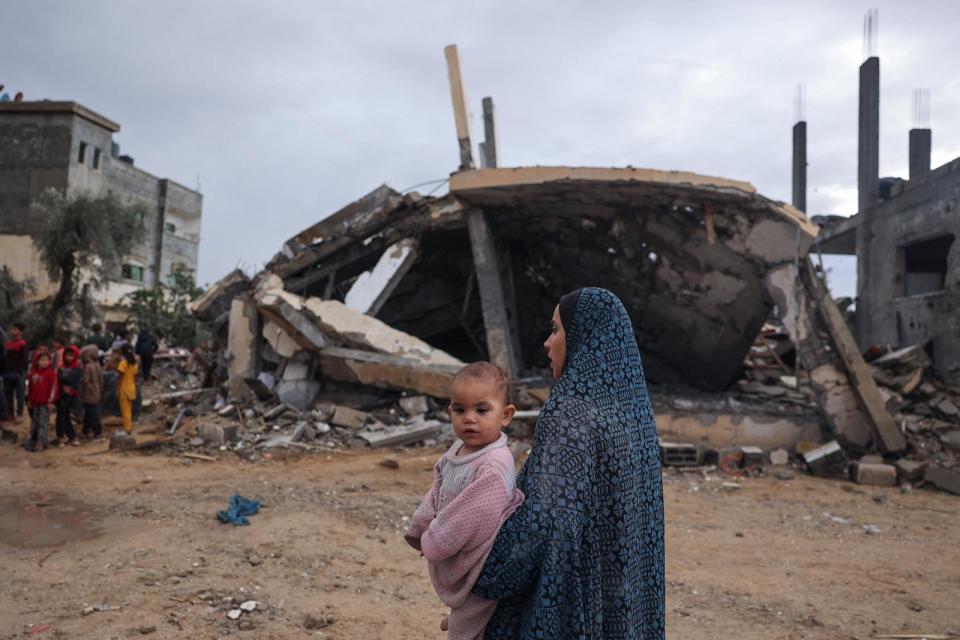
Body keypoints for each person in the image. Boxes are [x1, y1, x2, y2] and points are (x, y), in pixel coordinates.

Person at [472, 288, 665, 639]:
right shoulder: (635, 414)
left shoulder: (570, 414)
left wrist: (479, 580)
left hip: (577, 616)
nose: (548, 343)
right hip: (625, 613)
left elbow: (541, 526)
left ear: (583, 336)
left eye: (556, 330)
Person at [405, 362, 524, 640]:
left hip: (485, 563)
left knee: (466, 624)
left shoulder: (494, 465)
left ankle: (462, 627)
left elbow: (470, 515)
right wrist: (420, 529)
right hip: (461, 555)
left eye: (482, 410)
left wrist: (435, 541)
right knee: (468, 614)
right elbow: (438, 488)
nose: (469, 418)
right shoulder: (458, 450)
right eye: (460, 410)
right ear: (450, 412)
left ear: (505, 415)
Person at [24, 350, 57, 452]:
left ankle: (41, 442)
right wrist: (29, 400)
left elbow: (53, 388)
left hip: (45, 403)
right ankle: (34, 440)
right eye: (42, 360)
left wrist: (51, 401)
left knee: (43, 422)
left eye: (47, 360)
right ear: (37, 361)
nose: (45, 362)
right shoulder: (33, 373)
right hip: (35, 402)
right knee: (35, 422)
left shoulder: (51, 374)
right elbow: (30, 388)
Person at [54, 345, 82, 447]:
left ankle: (62, 437)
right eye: (66, 355)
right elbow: (59, 377)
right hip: (61, 395)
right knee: (63, 415)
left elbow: (72, 380)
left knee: (62, 415)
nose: (68, 357)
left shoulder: (77, 368)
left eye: (71, 355)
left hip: (71, 395)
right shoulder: (63, 368)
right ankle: (71, 437)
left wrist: (63, 380)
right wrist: (63, 381)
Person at [3, 322, 29, 420]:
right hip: (7, 373)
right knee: (7, 394)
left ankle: (19, 414)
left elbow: (24, 360)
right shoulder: (8, 344)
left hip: (19, 373)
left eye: (15, 329)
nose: (13, 331)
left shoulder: (23, 344)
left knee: (20, 394)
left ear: (20, 331)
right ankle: (10, 414)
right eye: (12, 329)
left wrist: (21, 371)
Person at [79, 344, 103, 440]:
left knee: (91, 412)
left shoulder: (88, 367)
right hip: (96, 391)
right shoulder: (97, 365)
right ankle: (85, 430)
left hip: (89, 393)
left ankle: (97, 431)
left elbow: (85, 380)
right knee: (89, 412)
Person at [116, 343, 138, 434]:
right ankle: (128, 426)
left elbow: (120, 378)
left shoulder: (123, 363)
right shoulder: (134, 364)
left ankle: (127, 429)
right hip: (132, 388)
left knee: (125, 411)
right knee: (129, 409)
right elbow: (135, 377)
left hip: (124, 389)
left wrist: (117, 389)